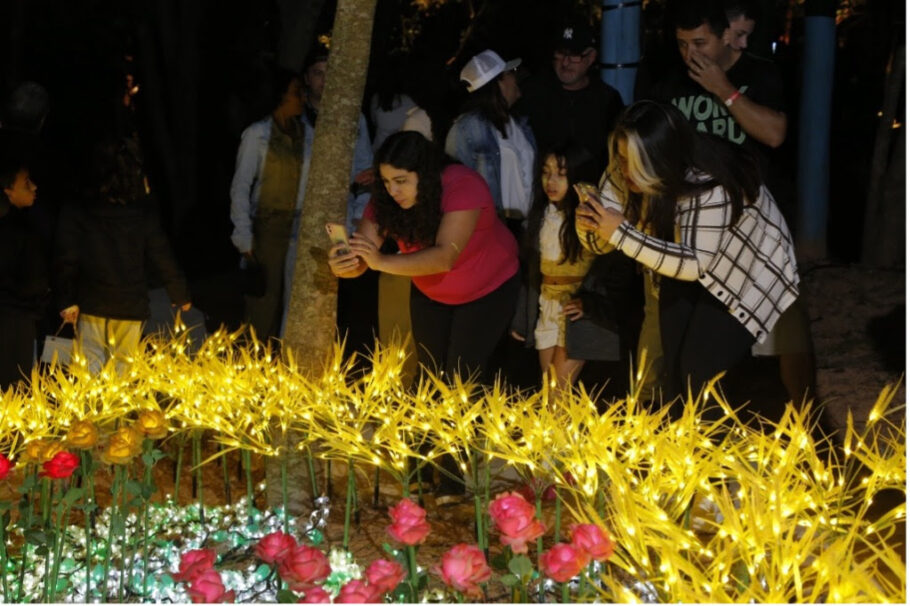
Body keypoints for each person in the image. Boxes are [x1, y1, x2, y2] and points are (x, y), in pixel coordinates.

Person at [328, 131, 519, 499]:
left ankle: (453, 480)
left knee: (461, 378)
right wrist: (345, 263)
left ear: (425, 175)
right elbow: (362, 253)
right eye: (386, 182)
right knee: (429, 375)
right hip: (432, 289)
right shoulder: (386, 201)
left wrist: (380, 261)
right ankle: (420, 466)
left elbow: (445, 255)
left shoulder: (463, 186)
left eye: (402, 181)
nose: (393, 190)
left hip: (488, 288)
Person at [577, 101, 799, 405]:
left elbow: (695, 263)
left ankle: (707, 444)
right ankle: (678, 440)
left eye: (634, 162)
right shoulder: (625, 166)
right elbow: (601, 241)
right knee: (673, 364)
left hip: (745, 272)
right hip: (678, 257)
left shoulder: (708, 182)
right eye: (621, 158)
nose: (625, 169)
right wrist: (590, 224)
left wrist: (619, 232)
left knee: (700, 367)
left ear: (660, 158)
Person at [55, 131, 191, 375]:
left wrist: (66, 299)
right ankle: (117, 412)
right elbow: (161, 253)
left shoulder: (79, 211)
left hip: (93, 303)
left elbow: (67, 258)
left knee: (90, 370)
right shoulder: (142, 214)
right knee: (123, 370)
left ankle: (94, 413)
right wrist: (179, 292)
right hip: (130, 304)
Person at [511, 143, 640, 391]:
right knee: (551, 389)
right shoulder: (541, 216)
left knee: (555, 393)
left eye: (561, 173)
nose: (551, 180)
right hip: (547, 307)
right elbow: (531, 273)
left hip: (576, 311)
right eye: (546, 172)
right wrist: (521, 317)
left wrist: (590, 304)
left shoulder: (589, 221)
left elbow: (613, 269)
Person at [302, 45, 378, 363]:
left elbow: (363, 170)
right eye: (318, 73)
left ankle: (348, 361)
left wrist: (360, 218)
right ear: (307, 78)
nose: (324, 80)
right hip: (301, 216)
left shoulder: (352, 114)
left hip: (343, 214)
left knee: (346, 291)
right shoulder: (296, 115)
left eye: (328, 72)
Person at [229, 67, 309, 343]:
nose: (302, 97)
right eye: (296, 92)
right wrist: (244, 236)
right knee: (263, 303)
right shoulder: (258, 134)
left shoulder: (304, 133)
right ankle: (253, 365)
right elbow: (240, 186)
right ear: (280, 96)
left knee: (292, 303)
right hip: (267, 227)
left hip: (298, 227)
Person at [516, 16, 625, 175]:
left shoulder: (607, 100)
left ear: (590, 57)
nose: (565, 63)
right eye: (560, 54)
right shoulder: (531, 93)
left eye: (574, 55)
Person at [445, 49, 536, 232]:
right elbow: (454, 187)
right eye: (512, 73)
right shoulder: (466, 128)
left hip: (526, 227)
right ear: (499, 82)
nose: (517, 78)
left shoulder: (519, 123)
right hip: (493, 228)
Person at [0, 132, 48, 388]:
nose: (34, 187)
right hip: (15, 319)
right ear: (7, 191)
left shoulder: (23, 225)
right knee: (14, 385)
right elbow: (31, 279)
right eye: (26, 182)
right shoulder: (19, 232)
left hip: (17, 314)